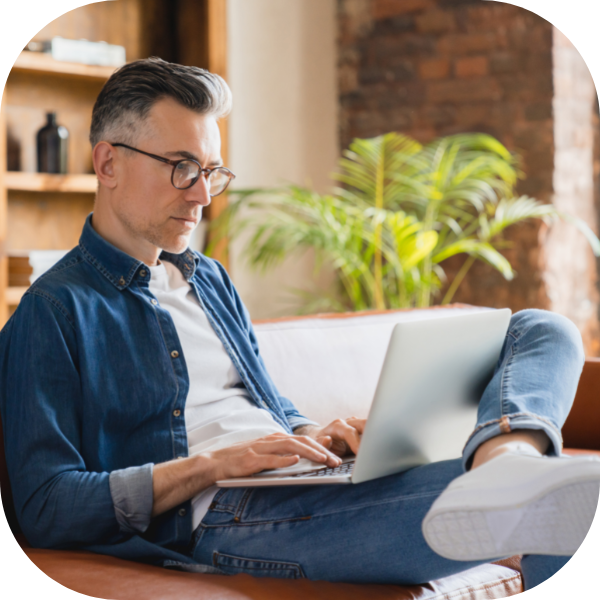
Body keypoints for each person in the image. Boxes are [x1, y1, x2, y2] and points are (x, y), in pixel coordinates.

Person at [1, 57, 599, 596]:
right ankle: (516, 480)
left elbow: (264, 401)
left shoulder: (207, 278)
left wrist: (317, 433)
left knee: (547, 329)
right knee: (565, 507)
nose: (204, 195)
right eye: (183, 168)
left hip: (302, 481)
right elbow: (46, 506)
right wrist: (213, 465)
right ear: (107, 162)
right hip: (224, 516)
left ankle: (504, 458)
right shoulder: (52, 312)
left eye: (212, 170)